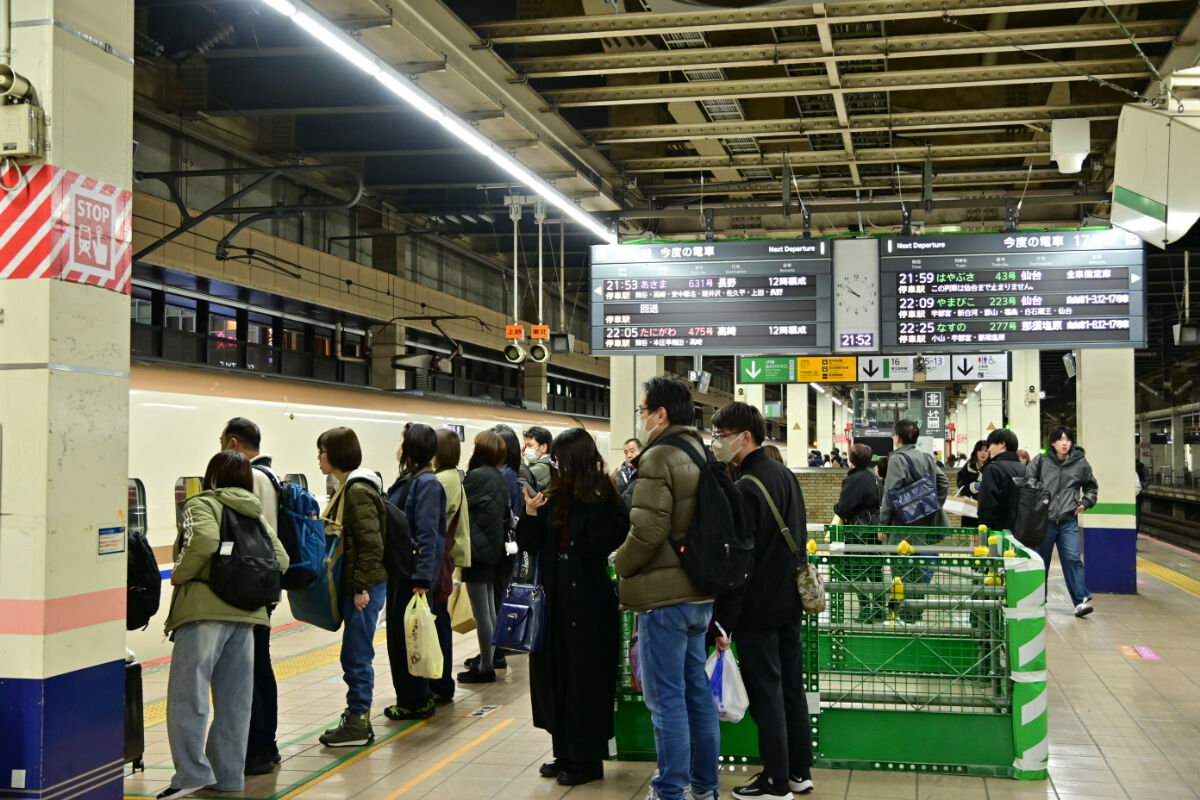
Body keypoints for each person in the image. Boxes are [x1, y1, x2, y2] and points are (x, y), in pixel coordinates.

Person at [613, 375, 720, 800]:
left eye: (643, 411)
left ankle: (671, 790)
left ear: (660, 414)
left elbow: (648, 531)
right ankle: (705, 787)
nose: (641, 419)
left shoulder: (658, 457)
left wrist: (619, 564)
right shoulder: (701, 451)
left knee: (667, 700)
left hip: (664, 599)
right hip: (699, 593)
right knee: (696, 694)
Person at [159, 451, 288, 800]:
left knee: (189, 695)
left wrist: (180, 573)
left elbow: (203, 540)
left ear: (211, 477)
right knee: (235, 701)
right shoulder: (254, 514)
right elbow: (282, 559)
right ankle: (228, 776)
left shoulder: (201, 503)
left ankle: (190, 774)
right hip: (246, 616)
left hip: (203, 612)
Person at [710, 402, 814, 799]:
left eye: (721, 435)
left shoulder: (746, 487)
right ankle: (798, 772)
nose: (717, 442)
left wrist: (725, 620)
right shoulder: (784, 474)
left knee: (766, 694)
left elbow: (741, 560)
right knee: (791, 689)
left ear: (744, 437)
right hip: (790, 601)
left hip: (758, 608)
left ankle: (775, 782)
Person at [518, 429, 630, 786]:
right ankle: (564, 751)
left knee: (586, 680)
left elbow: (601, 542)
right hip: (555, 599)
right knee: (556, 675)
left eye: (561, 461)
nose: (556, 467)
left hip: (590, 602)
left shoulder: (604, 498)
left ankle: (588, 760)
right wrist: (530, 514)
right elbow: (529, 546)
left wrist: (591, 496)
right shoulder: (553, 498)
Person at [316, 427, 388, 746]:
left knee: (357, 653)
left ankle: (358, 722)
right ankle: (357, 716)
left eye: (322, 452)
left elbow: (371, 543)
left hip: (364, 587)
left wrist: (362, 588)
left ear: (336, 454)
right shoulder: (348, 488)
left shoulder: (357, 491)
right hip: (360, 584)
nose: (319, 458)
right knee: (353, 653)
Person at [218, 417, 282, 775]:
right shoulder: (270, 476)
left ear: (232, 444)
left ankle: (255, 750)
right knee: (261, 668)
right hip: (266, 583)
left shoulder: (249, 478)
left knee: (249, 672)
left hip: (250, 586)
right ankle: (267, 745)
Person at [382, 423, 448, 720]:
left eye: (402, 441)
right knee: (400, 639)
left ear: (412, 447)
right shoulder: (411, 480)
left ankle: (416, 700)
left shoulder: (428, 484)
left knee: (410, 639)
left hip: (413, 578)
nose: (398, 447)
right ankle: (410, 697)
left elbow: (428, 534)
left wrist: (422, 578)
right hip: (401, 573)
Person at [879, 420, 949, 621]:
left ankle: (905, 612)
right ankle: (916, 610)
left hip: (902, 524)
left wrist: (883, 524)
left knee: (901, 567)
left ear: (897, 438)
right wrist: (930, 504)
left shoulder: (896, 459)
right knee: (918, 567)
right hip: (923, 524)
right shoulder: (926, 457)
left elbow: (890, 493)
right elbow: (943, 482)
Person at [1028, 426, 1099, 617]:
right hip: (1045, 521)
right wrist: (1038, 501)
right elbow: (1027, 482)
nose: (1064, 443)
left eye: (1067, 439)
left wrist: (1085, 502)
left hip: (1068, 520)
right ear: (1053, 442)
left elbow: (1091, 486)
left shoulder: (1080, 463)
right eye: (1060, 439)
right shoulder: (1041, 461)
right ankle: (1038, 599)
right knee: (1040, 562)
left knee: (1073, 558)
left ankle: (1080, 601)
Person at [459, 430, 512, 681]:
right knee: (489, 610)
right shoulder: (498, 476)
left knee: (482, 614)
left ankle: (486, 667)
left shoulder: (477, 476)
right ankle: (488, 660)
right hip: (493, 551)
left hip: (478, 552)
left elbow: (459, 506)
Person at [431, 428, 470, 704]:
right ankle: (441, 681)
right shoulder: (453, 476)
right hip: (448, 558)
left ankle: (441, 683)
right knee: (440, 619)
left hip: (440, 560)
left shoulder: (442, 481)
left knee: (438, 621)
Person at [835, 443, 885, 623]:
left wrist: (837, 508)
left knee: (857, 570)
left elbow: (844, 508)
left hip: (858, 531)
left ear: (851, 459)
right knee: (875, 570)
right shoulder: (874, 478)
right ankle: (879, 609)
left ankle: (865, 610)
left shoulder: (853, 480)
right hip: (874, 528)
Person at [975, 429, 1024, 534]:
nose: (989, 449)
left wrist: (983, 528)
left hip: (998, 532)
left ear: (1002, 445)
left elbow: (987, 504)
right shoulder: (1023, 468)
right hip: (1021, 531)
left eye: (991, 445)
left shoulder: (993, 469)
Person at [956, 440, 989, 528]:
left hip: (987, 509)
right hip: (970, 508)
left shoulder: (993, 467)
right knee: (971, 533)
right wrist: (974, 486)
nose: (983, 453)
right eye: (980, 450)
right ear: (976, 452)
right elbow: (961, 487)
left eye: (986, 451)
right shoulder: (968, 467)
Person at [524, 425, 554, 490]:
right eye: (526, 446)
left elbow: (521, 477)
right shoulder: (550, 463)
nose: (526, 450)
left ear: (543, 447)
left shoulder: (543, 467)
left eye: (530, 446)